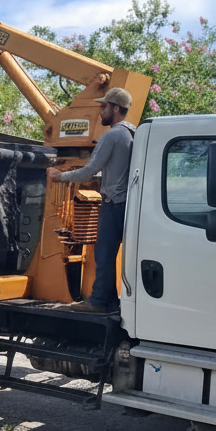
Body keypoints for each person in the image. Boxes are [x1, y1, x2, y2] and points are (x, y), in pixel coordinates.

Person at [47, 86, 135, 313]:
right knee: (112, 253)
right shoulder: (132, 134)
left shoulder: (112, 135)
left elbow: (87, 172)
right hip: (127, 203)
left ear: (115, 108)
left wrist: (60, 176)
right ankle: (112, 302)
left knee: (103, 253)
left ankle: (97, 302)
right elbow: (113, 171)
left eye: (104, 106)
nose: (100, 111)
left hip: (113, 203)